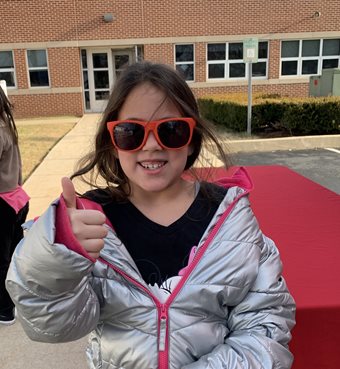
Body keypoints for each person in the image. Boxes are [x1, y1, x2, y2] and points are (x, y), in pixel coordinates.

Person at [6, 62, 295, 368]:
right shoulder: (89, 222)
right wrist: (56, 257)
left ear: (192, 138)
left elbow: (267, 325)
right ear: (113, 144)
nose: (152, 145)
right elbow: (54, 326)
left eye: (171, 130)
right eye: (131, 132)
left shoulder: (231, 219)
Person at [0, 86, 29, 325]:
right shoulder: (6, 125)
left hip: (3, 203)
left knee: (2, 260)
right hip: (16, 199)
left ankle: (5, 310)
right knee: (14, 257)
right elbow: (17, 169)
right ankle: (18, 301)